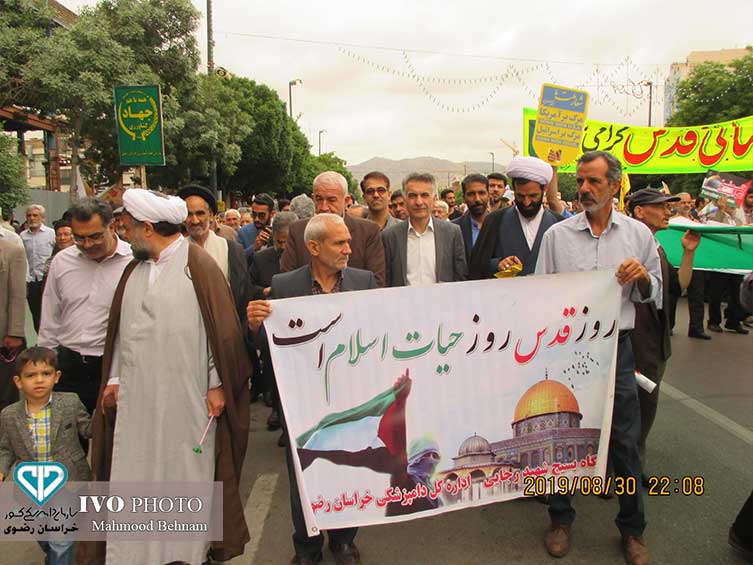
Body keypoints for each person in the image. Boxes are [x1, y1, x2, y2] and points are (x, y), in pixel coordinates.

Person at [85, 189, 251, 565]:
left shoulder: (198, 266)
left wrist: (217, 383)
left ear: (147, 228)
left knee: (183, 472)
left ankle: (184, 554)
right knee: (136, 471)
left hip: (188, 397)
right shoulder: (134, 270)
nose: (124, 234)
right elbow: (122, 335)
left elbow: (222, 334)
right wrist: (114, 379)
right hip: (138, 400)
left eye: (127, 227)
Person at [535, 151, 660, 565]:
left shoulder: (638, 235)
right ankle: (560, 518)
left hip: (616, 350)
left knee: (625, 442)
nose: (584, 189)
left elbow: (656, 291)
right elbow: (539, 292)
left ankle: (633, 530)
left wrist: (642, 277)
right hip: (567, 348)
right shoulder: (557, 237)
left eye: (594, 181)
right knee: (563, 435)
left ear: (615, 186)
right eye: (581, 180)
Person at [247, 213, 377, 565]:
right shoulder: (284, 285)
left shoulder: (364, 281)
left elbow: (378, 334)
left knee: (348, 469)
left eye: (349, 241)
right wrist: (255, 325)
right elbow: (267, 343)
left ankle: (343, 541)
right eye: (340, 243)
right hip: (301, 401)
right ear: (314, 247)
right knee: (304, 477)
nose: (348, 249)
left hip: (350, 397)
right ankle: (307, 547)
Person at [37, 199, 133, 433]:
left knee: (112, 441)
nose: (88, 244)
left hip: (113, 368)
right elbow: (51, 315)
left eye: (95, 236)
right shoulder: (62, 261)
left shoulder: (133, 262)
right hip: (68, 366)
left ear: (112, 226)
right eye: (79, 238)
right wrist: (44, 365)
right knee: (65, 441)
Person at [626, 188, 700, 479]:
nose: (668, 211)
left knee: (646, 405)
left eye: (668, 206)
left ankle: (633, 464)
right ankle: (617, 469)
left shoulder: (657, 247)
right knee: (627, 405)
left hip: (656, 341)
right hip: (634, 341)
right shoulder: (627, 247)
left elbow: (678, 287)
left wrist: (689, 252)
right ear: (639, 211)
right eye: (660, 206)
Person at [0, 346, 92, 565]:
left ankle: (57, 556)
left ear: (56, 376)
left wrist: (107, 414)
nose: (39, 380)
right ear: (18, 381)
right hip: (30, 485)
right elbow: (6, 448)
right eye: (31, 375)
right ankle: (52, 555)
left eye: (46, 373)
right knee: (42, 533)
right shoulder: (9, 415)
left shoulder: (70, 402)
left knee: (61, 539)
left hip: (67, 482)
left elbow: (88, 430)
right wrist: (1, 470)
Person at [281, 171, 386, 287]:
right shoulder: (297, 230)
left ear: (346, 201)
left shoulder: (367, 231)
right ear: (313, 198)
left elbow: (376, 284)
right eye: (319, 199)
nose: (324, 207)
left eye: (331, 200)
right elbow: (287, 282)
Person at [469, 156, 562, 279]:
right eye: (520, 196)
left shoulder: (558, 224)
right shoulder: (495, 220)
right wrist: (497, 264)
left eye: (533, 196)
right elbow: (476, 266)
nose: (526, 202)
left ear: (544, 189)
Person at [179, 184, 252, 323]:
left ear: (211, 216)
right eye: (189, 214)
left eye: (200, 213)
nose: (194, 220)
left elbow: (243, 297)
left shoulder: (232, 250)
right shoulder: (176, 252)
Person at [382, 173, 467, 287]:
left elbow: (460, 276)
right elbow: (387, 279)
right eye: (412, 196)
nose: (419, 202)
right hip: (403, 298)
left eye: (424, 195)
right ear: (405, 199)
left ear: (434, 199)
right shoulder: (390, 236)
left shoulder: (452, 232)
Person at [669, 192, 709, 339]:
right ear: (675, 204)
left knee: (697, 295)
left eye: (688, 202)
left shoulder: (696, 223)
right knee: (672, 294)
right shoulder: (669, 222)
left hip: (694, 263)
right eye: (683, 202)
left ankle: (696, 328)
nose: (686, 205)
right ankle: (668, 326)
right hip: (674, 262)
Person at [0, 229, 27, 409]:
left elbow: (18, 295)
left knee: (5, 392)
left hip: (3, 336)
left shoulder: (13, 251)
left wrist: (15, 332)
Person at [20, 204, 56, 332]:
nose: (32, 218)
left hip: (47, 279)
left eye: (35, 215)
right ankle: (40, 338)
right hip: (31, 280)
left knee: (49, 312)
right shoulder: (23, 236)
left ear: (42, 217)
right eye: (29, 215)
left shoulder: (51, 234)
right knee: (35, 313)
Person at [453, 173, 490, 263]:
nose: (477, 199)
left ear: (488, 195)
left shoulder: (501, 225)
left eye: (481, 193)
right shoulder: (453, 229)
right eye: (471, 194)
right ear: (464, 197)